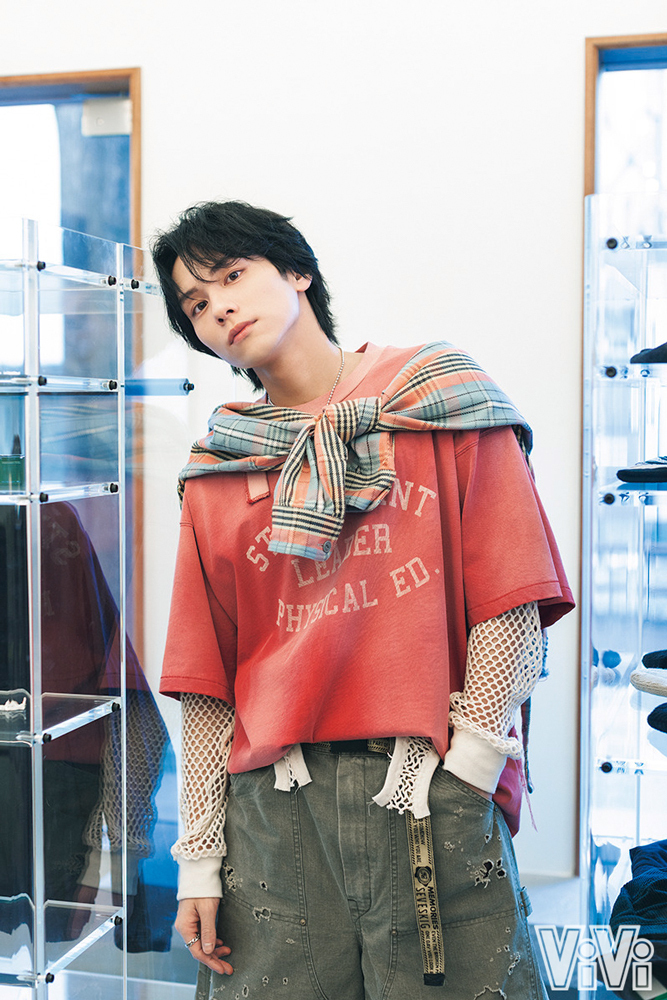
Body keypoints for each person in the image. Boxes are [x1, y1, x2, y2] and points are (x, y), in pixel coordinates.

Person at [152, 201, 574, 1000]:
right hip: (273, 810)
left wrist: (469, 769)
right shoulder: (220, 466)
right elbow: (208, 680)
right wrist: (198, 860)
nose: (218, 310)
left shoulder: (438, 399)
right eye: (196, 305)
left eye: (231, 277)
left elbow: (509, 599)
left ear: (297, 271)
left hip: (426, 784)